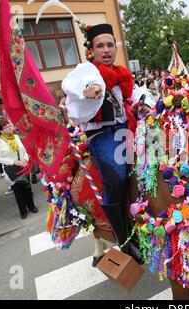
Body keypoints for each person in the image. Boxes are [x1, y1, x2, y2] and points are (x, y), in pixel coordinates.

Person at [62, 23, 148, 266]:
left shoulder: (122, 74)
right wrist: (90, 89)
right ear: (91, 49)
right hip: (102, 135)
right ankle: (123, 238)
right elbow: (76, 83)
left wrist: (142, 105)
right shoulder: (87, 71)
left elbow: (137, 96)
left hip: (129, 130)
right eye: (100, 45)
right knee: (117, 174)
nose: (107, 50)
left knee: (162, 159)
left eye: (110, 44)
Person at [0, 120, 38, 219]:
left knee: (27, 187)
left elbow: (25, 149)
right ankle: (23, 211)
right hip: (12, 168)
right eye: (6, 127)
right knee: (18, 190)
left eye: (10, 126)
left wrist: (25, 159)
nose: (10, 128)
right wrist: (14, 162)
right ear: (1, 131)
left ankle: (31, 206)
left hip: (23, 166)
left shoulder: (17, 137)